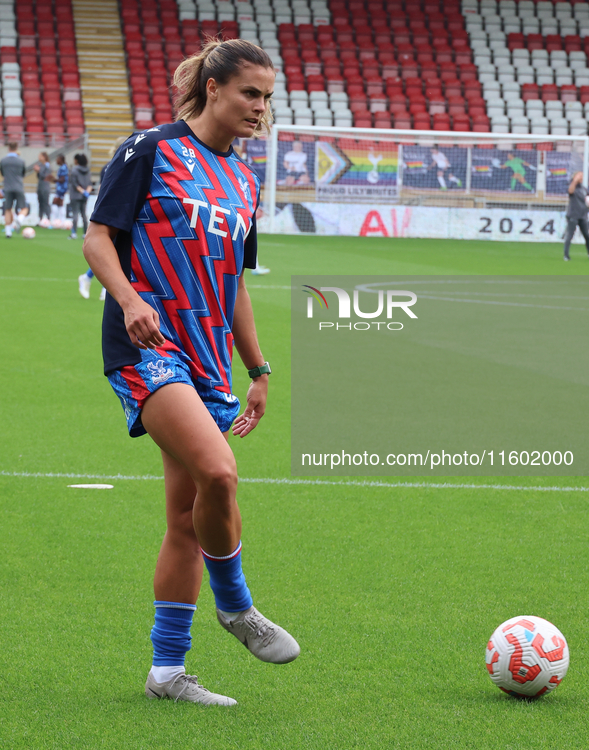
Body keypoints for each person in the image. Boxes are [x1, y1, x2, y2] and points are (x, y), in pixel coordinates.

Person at [83, 38, 299, 707]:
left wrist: (257, 368)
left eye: (267, 97)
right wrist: (129, 298)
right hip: (146, 348)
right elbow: (98, 238)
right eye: (249, 93)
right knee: (219, 472)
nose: (260, 108)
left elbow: (233, 283)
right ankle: (236, 606)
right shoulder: (150, 149)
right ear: (212, 87)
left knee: (185, 518)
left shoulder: (242, 181)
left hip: (207, 362)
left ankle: (166, 672)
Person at [79, 139, 126, 301]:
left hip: (111, 211)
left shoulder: (108, 166)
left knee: (113, 250)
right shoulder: (122, 165)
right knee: (112, 250)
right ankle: (100, 285)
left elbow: (101, 190)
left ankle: (93, 281)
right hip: (116, 212)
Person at [563, 171, 589, 261]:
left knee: (587, 235)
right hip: (573, 215)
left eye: (582, 175)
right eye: (580, 175)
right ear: (575, 177)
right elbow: (570, 191)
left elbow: (588, 199)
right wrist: (574, 181)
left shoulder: (584, 189)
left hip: (583, 216)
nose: (581, 177)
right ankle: (566, 255)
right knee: (569, 235)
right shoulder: (572, 186)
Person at [1, 141, 27, 238]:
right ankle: (19, 219)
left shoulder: (3, 161)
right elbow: (23, 174)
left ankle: (8, 232)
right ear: (17, 148)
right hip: (18, 187)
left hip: (7, 187)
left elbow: (3, 173)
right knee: (24, 207)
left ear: (8, 148)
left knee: (8, 208)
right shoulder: (21, 161)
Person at [68, 153, 92, 240]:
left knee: (75, 214)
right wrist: (86, 192)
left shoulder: (74, 170)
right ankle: (85, 233)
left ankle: (74, 232)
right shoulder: (88, 170)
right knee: (84, 214)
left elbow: (74, 184)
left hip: (75, 195)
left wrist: (81, 191)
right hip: (85, 195)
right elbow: (90, 183)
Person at [33, 151, 52, 226]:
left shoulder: (48, 166)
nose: (39, 158)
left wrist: (39, 170)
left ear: (44, 157)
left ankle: (48, 219)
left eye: (40, 156)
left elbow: (45, 176)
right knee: (40, 203)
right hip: (40, 186)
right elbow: (39, 176)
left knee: (45, 203)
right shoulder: (41, 165)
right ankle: (40, 219)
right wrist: (37, 171)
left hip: (45, 187)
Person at [51, 154, 69, 226]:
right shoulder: (63, 167)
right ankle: (61, 221)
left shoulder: (63, 167)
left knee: (55, 202)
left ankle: (55, 220)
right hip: (61, 188)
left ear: (61, 160)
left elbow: (62, 179)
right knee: (60, 204)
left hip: (61, 188)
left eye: (57, 159)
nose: (56, 161)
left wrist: (55, 180)